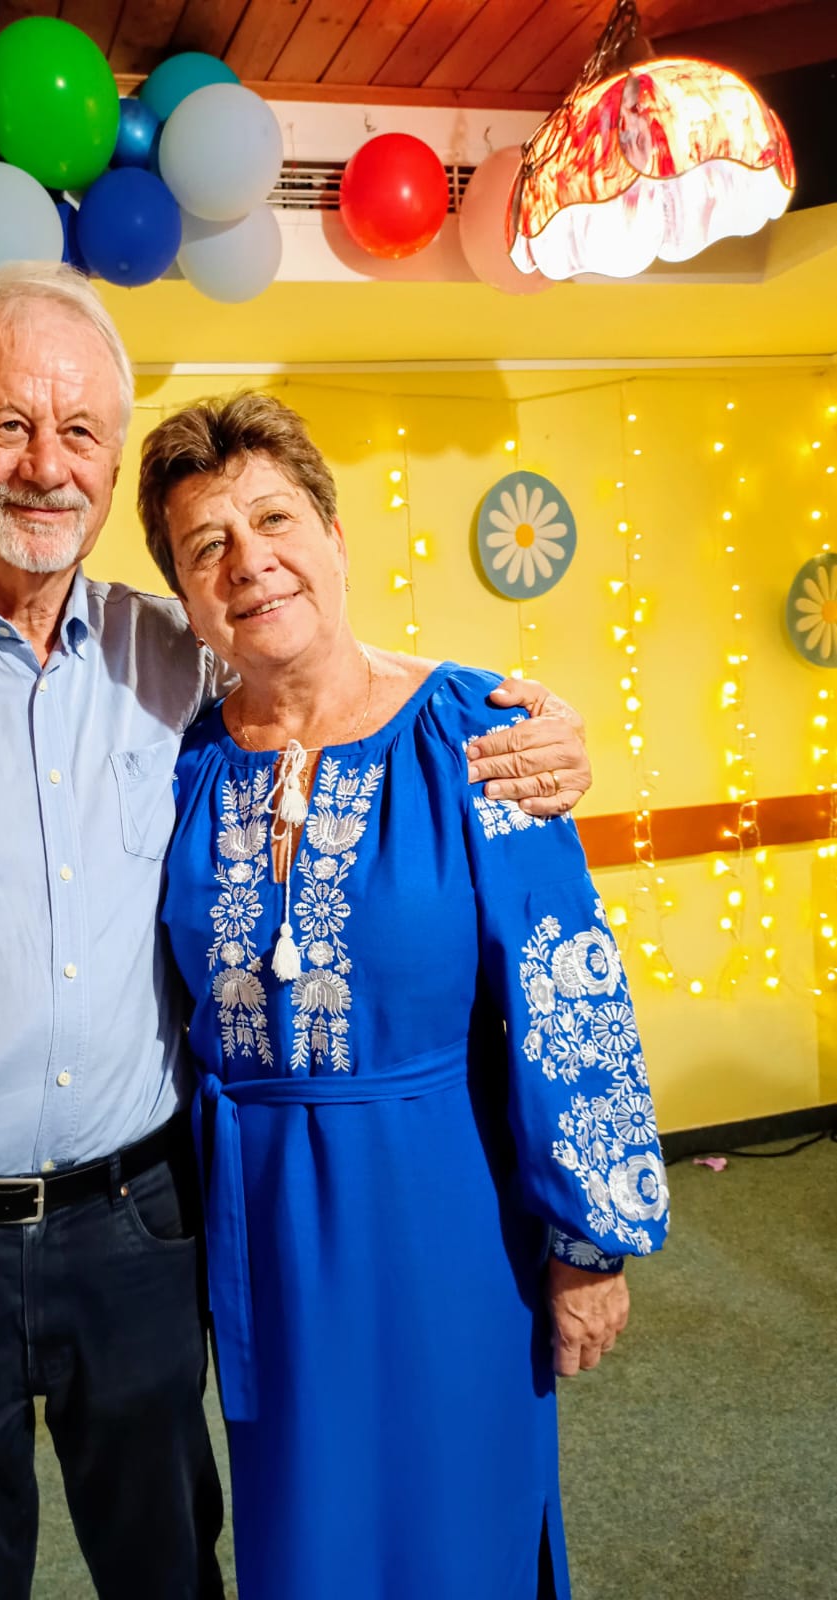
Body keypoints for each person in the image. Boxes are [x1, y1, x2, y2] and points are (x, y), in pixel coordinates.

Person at [0, 265, 593, 1600]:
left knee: (175, 1572)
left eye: (80, 430)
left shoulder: (177, 657)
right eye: (7, 424)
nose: (45, 465)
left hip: (140, 1235)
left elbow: (322, 659)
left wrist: (530, 723)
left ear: (111, 459)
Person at [137, 391, 669, 1600]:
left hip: (447, 1213)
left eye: (275, 519)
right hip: (260, 1227)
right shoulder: (177, 762)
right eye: (207, 544)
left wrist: (589, 1242)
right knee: (305, 1540)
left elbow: (568, 994)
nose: (249, 560)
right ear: (186, 596)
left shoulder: (479, 732)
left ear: (334, 536)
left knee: (458, 1523)